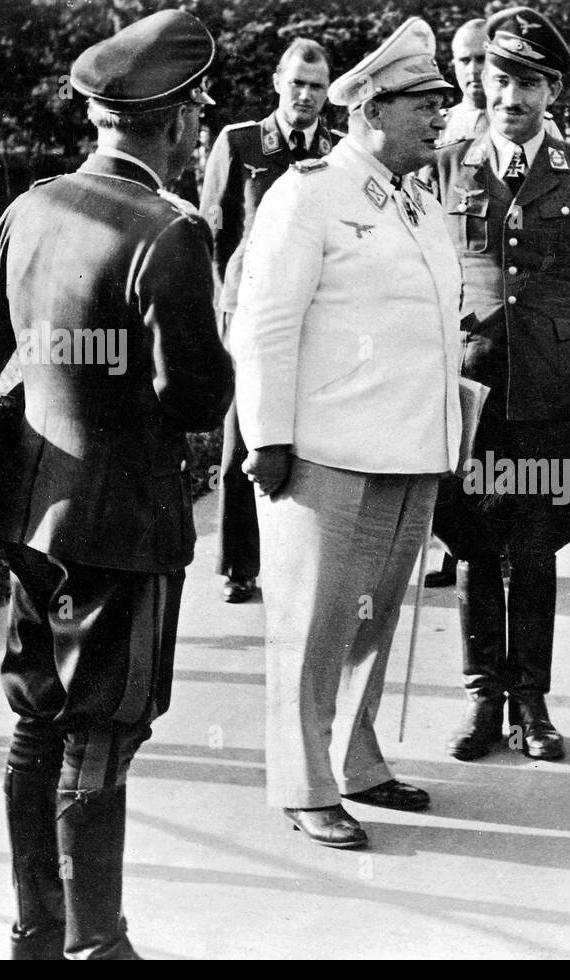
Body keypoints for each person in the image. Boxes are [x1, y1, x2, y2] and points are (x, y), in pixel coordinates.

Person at [0, 9, 233, 957]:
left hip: (30, 518)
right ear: (171, 120)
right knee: (103, 728)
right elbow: (197, 400)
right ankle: (99, 945)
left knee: (36, 718)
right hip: (125, 524)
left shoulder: (34, 208)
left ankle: (34, 934)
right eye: (198, 107)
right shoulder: (172, 234)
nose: (201, 123)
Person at [230, 17, 461, 850]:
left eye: (443, 102)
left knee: (374, 620)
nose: (441, 116)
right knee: (313, 622)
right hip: (326, 449)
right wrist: (267, 435)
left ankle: (357, 760)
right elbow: (263, 323)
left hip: (409, 449)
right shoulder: (308, 192)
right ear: (369, 108)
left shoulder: (419, 200)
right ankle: (302, 782)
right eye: (425, 103)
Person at [427, 6, 570, 763]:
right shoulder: (444, 166)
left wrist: (554, 341)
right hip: (474, 390)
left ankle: (532, 700)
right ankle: (483, 698)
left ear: (553, 93)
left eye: (531, 85)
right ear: (481, 76)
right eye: (503, 78)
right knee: (476, 539)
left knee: (537, 539)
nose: (513, 98)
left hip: (549, 393)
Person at [201, 39, 340, 604]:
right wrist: (225, 305)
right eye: (297, 83)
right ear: (278, 82)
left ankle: (302, 559)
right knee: (248, 436)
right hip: (250, 311)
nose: (305, 95)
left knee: (309, 434)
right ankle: (239, 565)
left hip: (314, 309)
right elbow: (214, 232)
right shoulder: (240, 143)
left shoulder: (334, 149)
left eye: (317, 85)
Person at [440, 17, 562, 145]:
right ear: (454, 65)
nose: (473, 69)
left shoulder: (541, 126)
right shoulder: (440, 126)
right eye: (464, 60)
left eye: (481, 59)